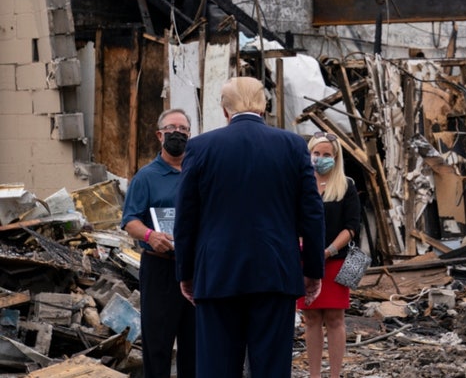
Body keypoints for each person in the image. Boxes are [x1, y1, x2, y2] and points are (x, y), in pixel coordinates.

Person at [173, 76, 326, 377]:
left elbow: (186, 217)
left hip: (217, 274)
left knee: (217, 368)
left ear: (224, 110)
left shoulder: (201, 147)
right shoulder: (293, 145)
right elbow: (312, 214)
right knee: (271, 368)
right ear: (263, 106)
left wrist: (186, 272)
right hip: (275, 273)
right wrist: (312, 270)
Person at [120, 108, 196, 378]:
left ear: (191, 134)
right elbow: (130, 221)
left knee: (195, 345)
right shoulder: (146, 177)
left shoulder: (199, 173)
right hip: (160, 269)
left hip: (196, 268)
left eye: (183, 129)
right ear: (159, 135)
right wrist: (151, 235)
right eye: (171, 129)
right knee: (158, 345)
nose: (178, 134)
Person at [297, 131, 361, 378]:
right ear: (309, 154)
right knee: (311, 318)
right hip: (306, 260)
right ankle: (314, 374)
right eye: (316, 153)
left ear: (336, 157)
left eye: (326, 155)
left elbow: (352, 226)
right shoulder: (300, 185)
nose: (320, 158)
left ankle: (334, 374)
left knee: (335, 318)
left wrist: (329, 250)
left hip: (337, 260)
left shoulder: (347, 185)